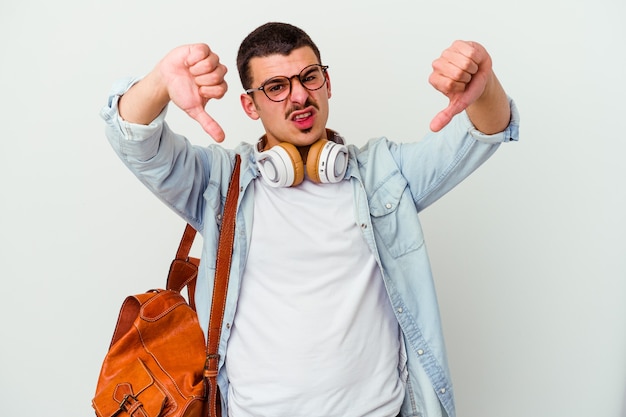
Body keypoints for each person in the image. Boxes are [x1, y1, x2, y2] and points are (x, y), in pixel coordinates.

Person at [102, 22, 519, 417]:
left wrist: (484, 84)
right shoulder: (218, 184)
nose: (299, 96)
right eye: (276, 87)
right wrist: (160, 79)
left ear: (328, 82)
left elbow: (485, 132)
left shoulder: (384, 176)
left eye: (309, 77)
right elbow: (134, 141)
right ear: (250, 104)